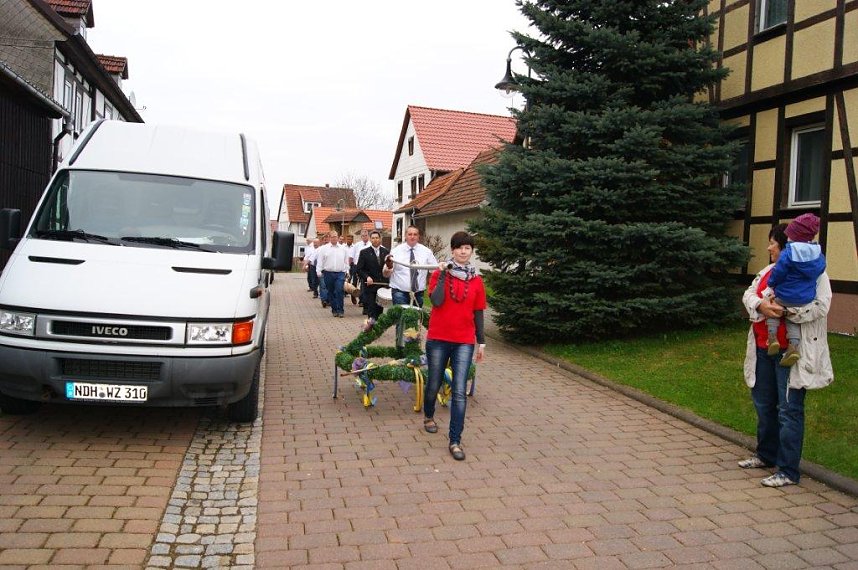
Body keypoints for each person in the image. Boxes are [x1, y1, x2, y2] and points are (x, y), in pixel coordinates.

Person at [740, 223, 834, 487]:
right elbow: (749, 294)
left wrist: (786, 312)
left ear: (787, 246)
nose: (769, 247)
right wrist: (760, 305)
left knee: (789, 410)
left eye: (772, 243)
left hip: (790, 352)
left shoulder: (817, 274)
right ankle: (766, 455)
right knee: (764, 404)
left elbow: (821, 306)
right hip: (763, 348)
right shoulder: (768, 271)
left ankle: (788, 470)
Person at [422, 231, 486, 461]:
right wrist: (441, 274)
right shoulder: (440, 273)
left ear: (471, 252)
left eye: (467, 248)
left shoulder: (477, 281)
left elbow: (478, 312)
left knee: (459, 391)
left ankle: (455, 440)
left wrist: (482, 342)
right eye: (459, 247)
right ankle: (429, 415)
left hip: (464, 341)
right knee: (434, 383)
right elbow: (436, 300)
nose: (463, 251)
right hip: (438, 338)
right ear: (453, 250)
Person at [764, 213, 826, 366]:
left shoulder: (789, 252)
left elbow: (779, 272)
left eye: (772, 243)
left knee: (772, 305)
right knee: (793, 320)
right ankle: (794, 346)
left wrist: (771, 283)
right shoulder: (817, 254)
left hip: (785, 295)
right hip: (805, 298)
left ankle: (772, 337)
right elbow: (820, 268)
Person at [383, 226, 438, 308]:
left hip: (418, 293)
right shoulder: (396, 251)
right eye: (410, 234)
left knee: (416, 318)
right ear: (405, 236)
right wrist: (388, 266)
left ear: (418, 237)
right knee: (401, 318)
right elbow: (386, 274)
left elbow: (435, 270)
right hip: (399, 292)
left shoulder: (426, 252)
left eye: (415, 234)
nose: (412, 237)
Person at [355, 230, 389, 320]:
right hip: (370, 286)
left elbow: (388, 268)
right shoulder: (364, 252)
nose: (375, 240)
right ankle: (371, 328)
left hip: (382, 285)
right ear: (370, 239)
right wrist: (367, 277)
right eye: (373, 238)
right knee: (371, 308)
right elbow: (359, 269)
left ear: (380, 239)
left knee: (379, 309)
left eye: (377, 238)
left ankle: (377, 328)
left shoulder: (386, 252)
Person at [315, 230, 349, 318]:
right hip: (328, 273)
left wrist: (347, 271)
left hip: (340, 273)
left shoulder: (343, 249)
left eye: (336, 237)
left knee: (339, 290)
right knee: (330, 292)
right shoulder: (324, 248)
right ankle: (334, 309)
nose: (334, 238)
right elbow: (320, 261)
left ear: (338, 238)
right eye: (332, 237)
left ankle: (340, 310)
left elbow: (346, 262)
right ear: (329, 238)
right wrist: (318, 271)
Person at [349, 229, 371, 307]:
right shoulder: (357, 245)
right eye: (363, 236)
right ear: (361, 237)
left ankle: (362, 300)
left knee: (363, 283)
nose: (364, 237)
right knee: (354, 282)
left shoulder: (370, 245)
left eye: (366, 235)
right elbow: (351, 256)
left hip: (365, 267)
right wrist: (349, 267)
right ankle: (353, 294)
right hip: (356, 266)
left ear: (368, 236)